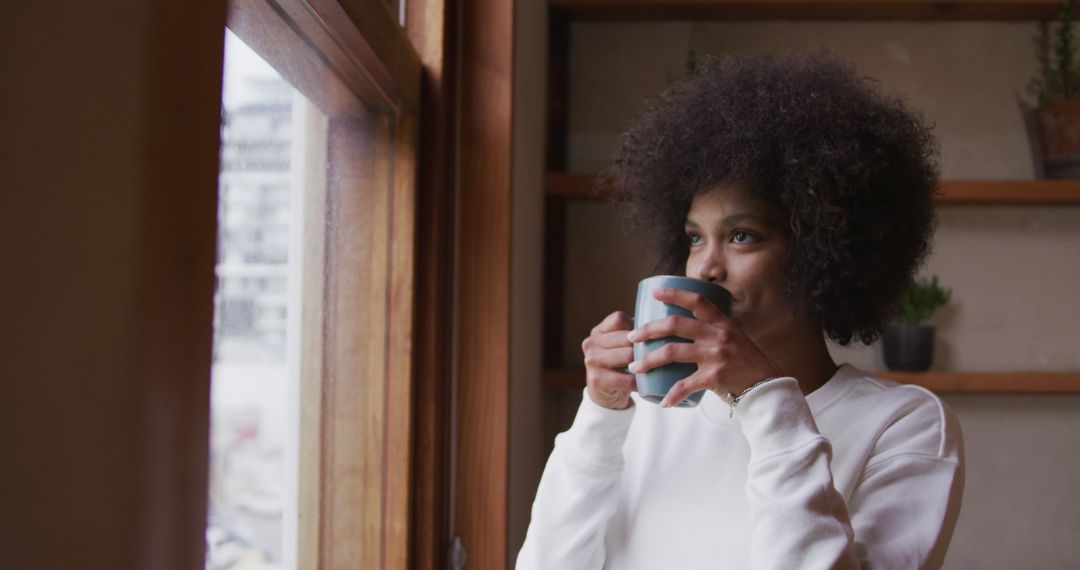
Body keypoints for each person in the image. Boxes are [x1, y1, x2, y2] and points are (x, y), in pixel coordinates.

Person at [517, 49, 964, 569]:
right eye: (693, 238)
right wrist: (600, 413)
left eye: (742, 236)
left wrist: (765, 398)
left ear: (824, 248)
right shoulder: (649, 413)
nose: (705, 268)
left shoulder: (905, 426)